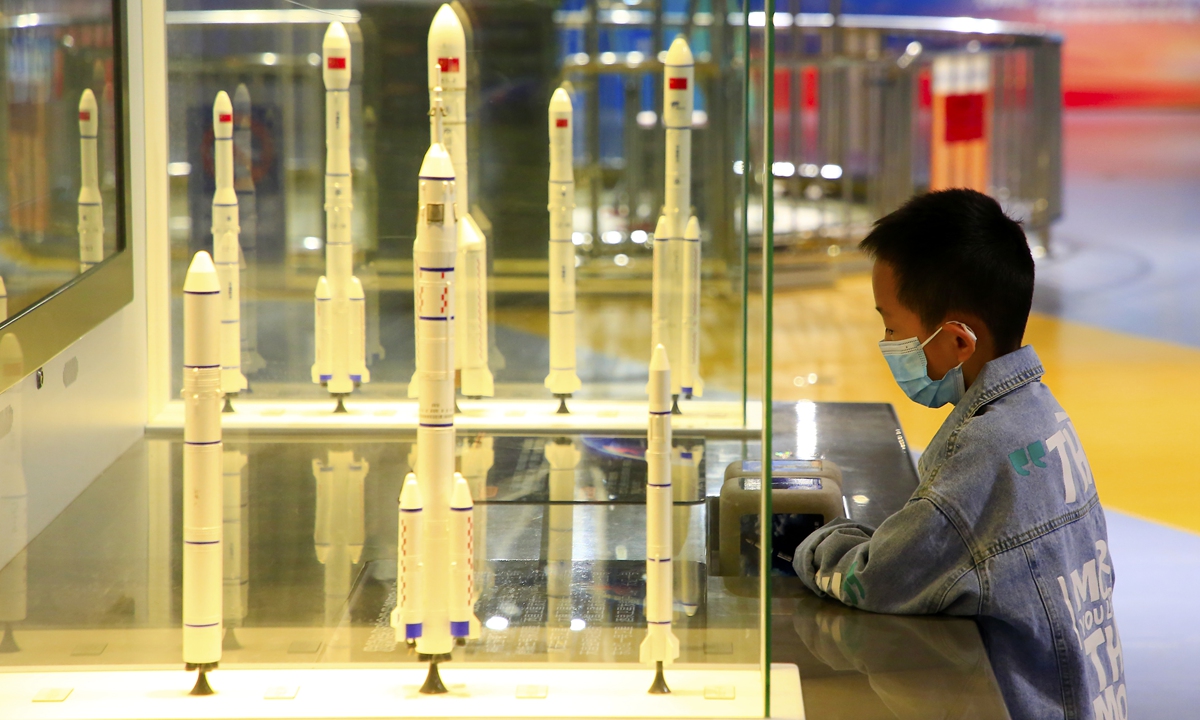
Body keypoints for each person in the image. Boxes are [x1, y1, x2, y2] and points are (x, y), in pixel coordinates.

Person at [793, 189, 1124, 720]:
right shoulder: (1042, 415)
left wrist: (808, 544)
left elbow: (877, 577)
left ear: (957, 343)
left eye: (892, 327)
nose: (887, 341)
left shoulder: (986, 453)